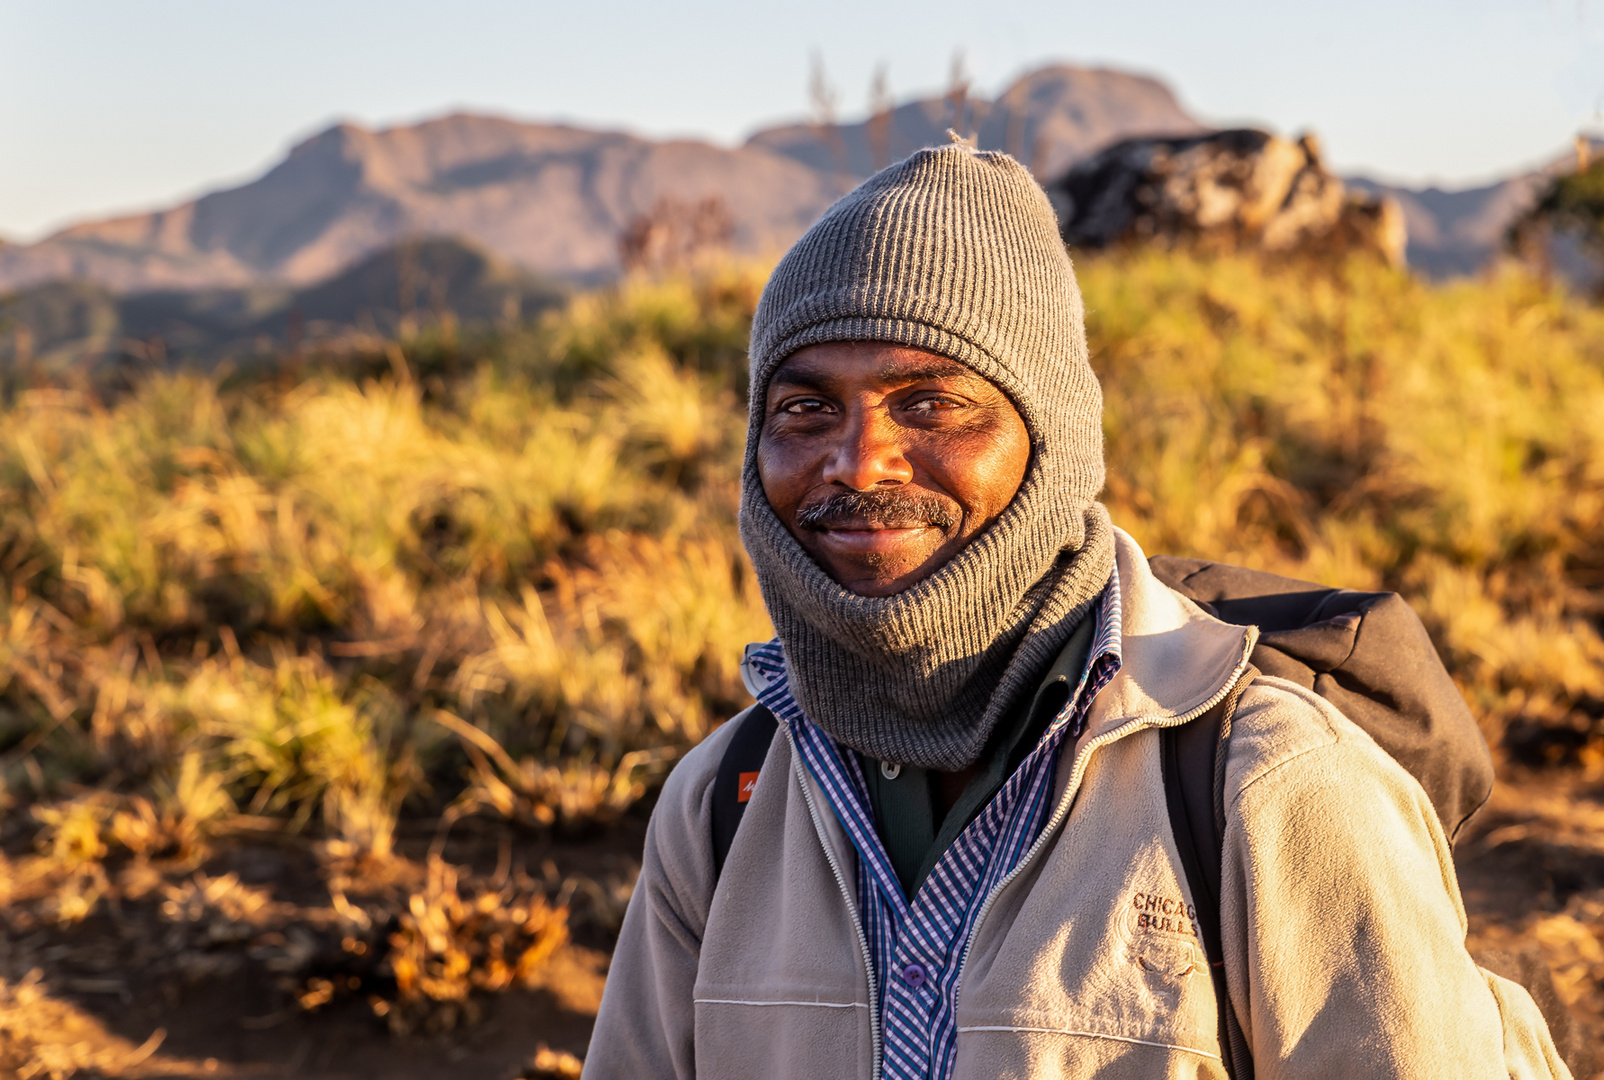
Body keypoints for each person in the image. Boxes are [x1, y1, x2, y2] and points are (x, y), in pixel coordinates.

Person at [581, 142, 1571, 1079]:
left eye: (928, 405)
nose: (856, 461)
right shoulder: (722, 802)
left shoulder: (1267, 787)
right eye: (804, 410)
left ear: (1048, 439)